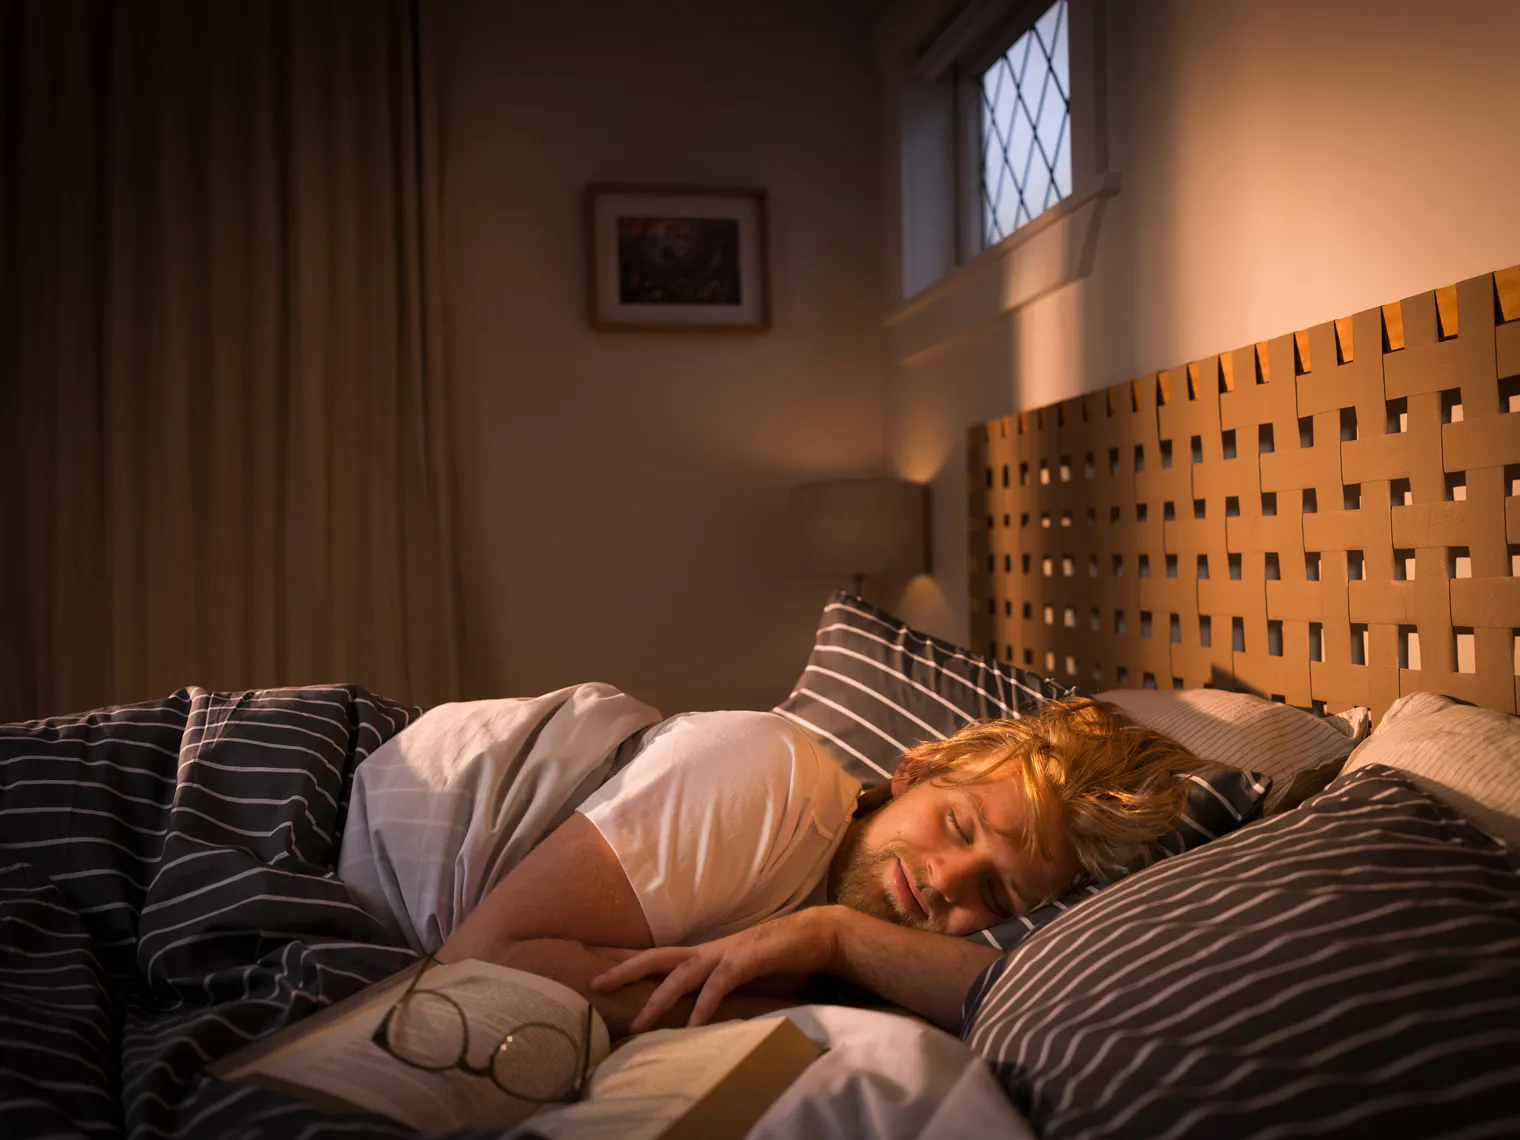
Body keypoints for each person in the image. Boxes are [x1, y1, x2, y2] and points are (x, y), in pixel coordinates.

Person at [415, 693, 1206, 1038]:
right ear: (916, 770)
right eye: (957, 824)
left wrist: (839, 937)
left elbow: (1028, 1002)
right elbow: (481, 966)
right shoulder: (771, 773)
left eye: (996, 892)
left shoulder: (847, 947)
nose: (947, 880)